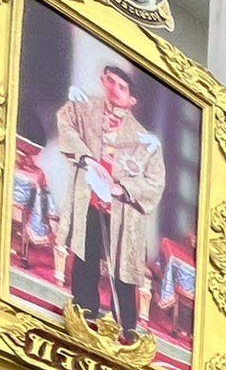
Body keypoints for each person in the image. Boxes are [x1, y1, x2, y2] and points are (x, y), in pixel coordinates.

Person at [51, 64, 166, 337]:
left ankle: (126, 327)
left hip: (122, 213)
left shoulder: (144, 139)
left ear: (132, 99)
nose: (114, 89)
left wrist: (121, 189)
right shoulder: (85, 108)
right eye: (111, 81)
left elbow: (155, 183)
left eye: (122, 87)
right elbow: (65, 123)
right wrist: (87, 158)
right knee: (86, 256)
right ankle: (84, 309)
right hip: (90, 200)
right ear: (103, 81)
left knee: (123, 270)